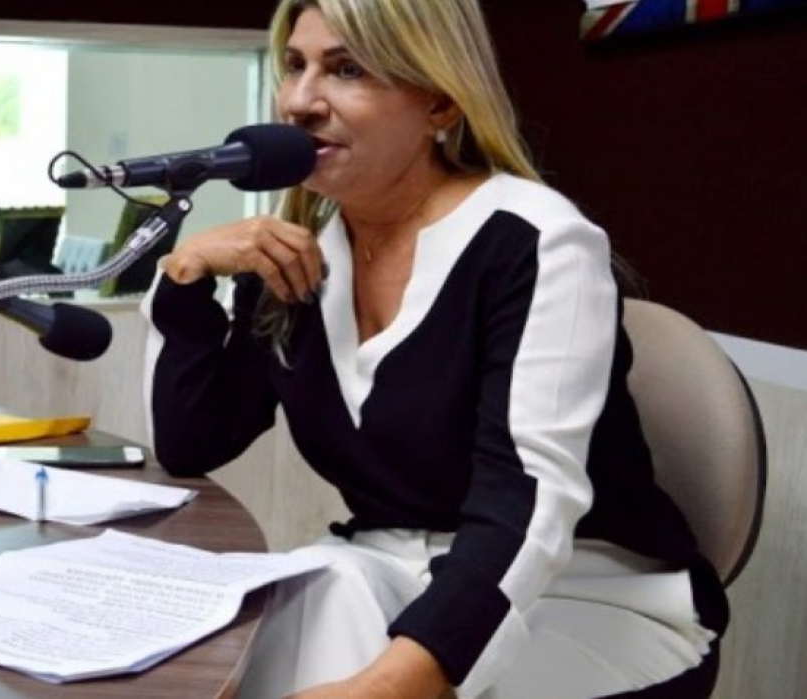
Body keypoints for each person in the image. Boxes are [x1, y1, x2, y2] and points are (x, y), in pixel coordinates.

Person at [139, 1, 727, 697]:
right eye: (295, 66)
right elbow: (191, 442)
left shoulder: (535, 243)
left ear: (441, 102)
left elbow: (525, 507)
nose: (299, 102)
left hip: (583, 589)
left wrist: (391, 685)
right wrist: (184, 278)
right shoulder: (297, 258)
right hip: (385, 569)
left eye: (346, 70)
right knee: (294, 609)